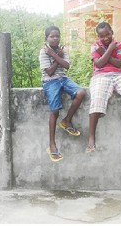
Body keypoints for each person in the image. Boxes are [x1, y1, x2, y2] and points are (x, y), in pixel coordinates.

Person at [87, 22, 121, 153]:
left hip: (118, 75)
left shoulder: (120, 45)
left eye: (108, 34)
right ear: (98, 36)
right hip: (100, 76)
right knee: (97, 99)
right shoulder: (95, 46)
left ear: (112, 32)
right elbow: (99, 64)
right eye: (102, 36)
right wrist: (110, 50)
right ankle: (91, 138)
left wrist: (105, 52)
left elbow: (118, 64)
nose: (105, 38)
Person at [39, 25, 85, 162]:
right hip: (50, 81)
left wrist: (54, 55)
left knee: (81, 93)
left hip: (63, 79)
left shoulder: (62, 50)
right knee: (54, 111)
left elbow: (67, 66)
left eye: (57, 36)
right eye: (52, 36)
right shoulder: (43, 52)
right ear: (46, 38)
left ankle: (66, 121)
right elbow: (49, 72)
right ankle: (52, 145)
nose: (55, 38)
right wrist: (56, 56)